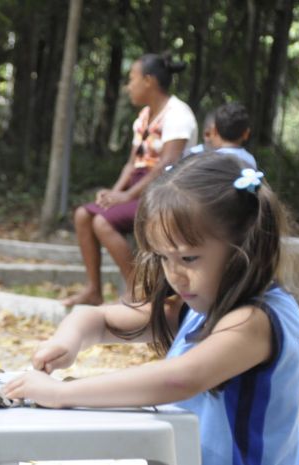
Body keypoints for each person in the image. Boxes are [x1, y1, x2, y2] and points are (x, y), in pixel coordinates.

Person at [5, 153, 299, 465]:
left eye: (188, 257)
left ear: (244, 247)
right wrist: (68, 341)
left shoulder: (255, 320)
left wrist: (60, 392)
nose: (176, 276)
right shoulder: (200, 305)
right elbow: (96, 317)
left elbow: (178, 379)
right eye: (164, 258)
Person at [62, 53, 197, 307]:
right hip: (139, 187)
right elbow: (132, 163)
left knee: (102, 223)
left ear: (149, 81)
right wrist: (113, 193)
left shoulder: (178, 114)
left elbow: (167, 163)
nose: (128, 86)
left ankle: (138, 290)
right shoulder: (144, 116)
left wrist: (126, 196)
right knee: (83, 215)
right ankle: (93, 290)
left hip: (165, 191)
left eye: (132, 79)